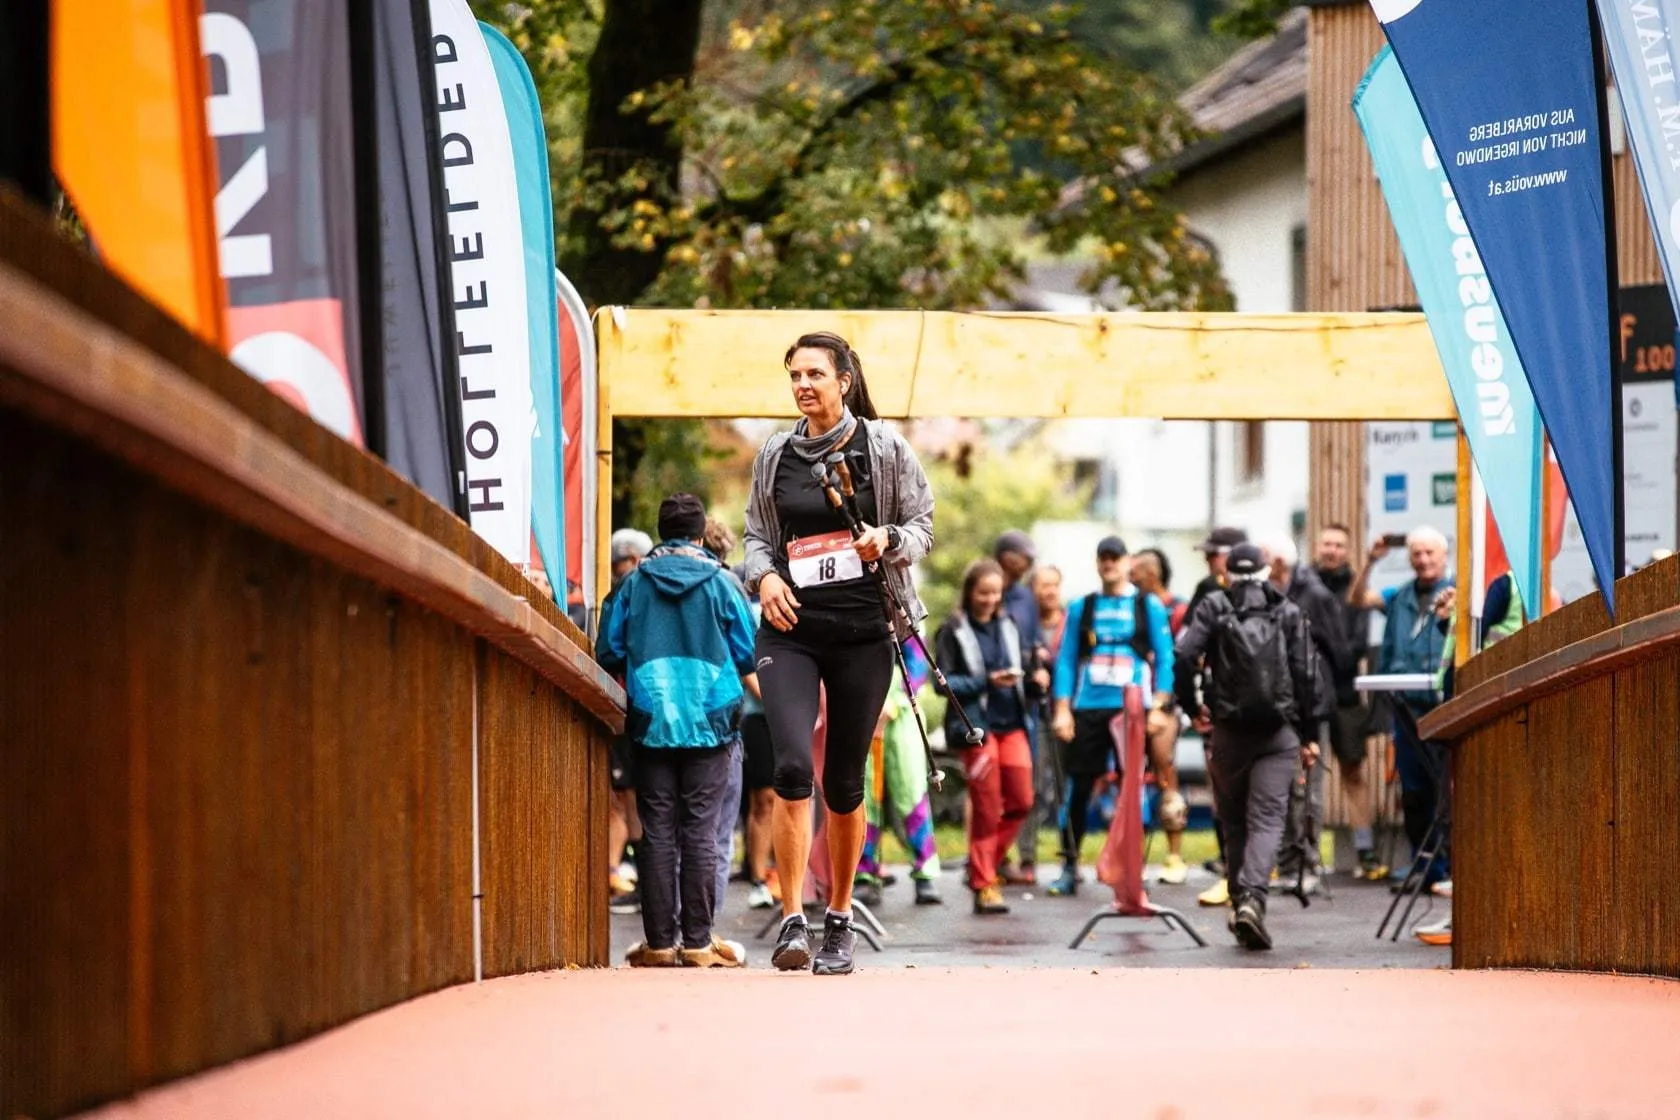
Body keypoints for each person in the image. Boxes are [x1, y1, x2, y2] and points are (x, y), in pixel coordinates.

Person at [742, 331, 935, 976]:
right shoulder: (775, 454)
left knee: (845, 784)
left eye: (815, 374)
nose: (802, 385)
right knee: (793, 768)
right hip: (790, 631)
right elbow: (756, 538)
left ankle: (841, 918)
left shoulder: (883, 448)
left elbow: (923, 526)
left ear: (844, 381)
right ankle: (793, 919)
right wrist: (764, 578)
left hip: (862, 635)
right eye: (794, 374)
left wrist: (888, 539)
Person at [597, 494, 757, 968]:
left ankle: (660, 944)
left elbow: (609, 648)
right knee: (702, 832)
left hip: (650, 719)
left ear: (662, 529)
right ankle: (699, 943)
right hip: (711, 719)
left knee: (658, 833)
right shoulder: (724, 582)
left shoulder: (632, 584)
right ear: (697, 533)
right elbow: (747, 652)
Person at [1173, 543, 1320, 950]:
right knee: (1269, 818)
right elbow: (1307, 674)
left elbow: (1184, 655)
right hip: (1279, 731)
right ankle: (1253, 900)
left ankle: (1240, 899)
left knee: (1234, 820)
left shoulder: (1213, 606)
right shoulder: (1287, 609)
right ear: (1265, 572)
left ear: (1227, 575)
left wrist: (1193, 707)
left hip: (1227, 730)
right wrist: (1309, 735)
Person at [1047, 536, 1175, 897]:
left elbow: (1166, 657)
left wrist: (1160, 706)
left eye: (1115, 557)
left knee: (1131, 786)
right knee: (1079, 787)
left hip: (1133, 708)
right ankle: (1070, 864)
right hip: (1089, 706)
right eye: (1103, 557)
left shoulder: (1146, 605)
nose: (1109, 564)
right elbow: (1067, 660)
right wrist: (1062, 710)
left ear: (1128, 561)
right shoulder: (1082, 606)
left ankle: (1132, 865)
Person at [1348, 526, 1454, 892]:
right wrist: (1370, 561)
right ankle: (1423, 867)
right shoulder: (1400, 596)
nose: (1423, 560)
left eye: (1430, 553)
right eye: (1417, 554)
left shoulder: (1458, 593)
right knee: (1413, 792)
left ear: (1444, 556)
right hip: (1405, 709)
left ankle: (1447, 869)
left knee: (1445, 789)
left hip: (1444, 705)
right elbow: (1358, 598)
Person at [935, 558, 1040, 914]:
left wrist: (1035, 676)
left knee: (1022, 800)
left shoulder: (1008, 624)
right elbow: (943, 684)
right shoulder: (954, 628)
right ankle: (983, 883)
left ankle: (982, 864)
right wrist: (987, 681)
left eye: (996, 593)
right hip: (976, 726)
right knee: (987, 806)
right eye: (983, 592)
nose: (990, 599)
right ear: (969, 592)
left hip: (1012, 721)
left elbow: (1026, 662)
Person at [1262, 536, 1348, 895]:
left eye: (1264, 562)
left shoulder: (1314, 596)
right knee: (1280, 785)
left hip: (1310, 704)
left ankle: (1308, 862)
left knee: (1308, 788)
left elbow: (1338, 651)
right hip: (1279, 704)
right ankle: (1287, 863)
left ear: (1279, 563)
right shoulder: (1267, 597)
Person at [1312, 523, 1385, 881]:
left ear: (1347, 549)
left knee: (1353, 772)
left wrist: (1331, 654)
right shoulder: (1303, 585)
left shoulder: (1358, 588)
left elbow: (1357, 645)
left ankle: (1365, 851)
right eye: (1326, 543)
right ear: (1317, 546)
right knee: (1304, 773)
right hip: (1307, 693)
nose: (1331, 550)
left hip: (1345, 693)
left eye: (1338, 545)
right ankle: (1302, 852)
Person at [1186, 526, 1247, 906]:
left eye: (1214, 555)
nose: (1209, 562)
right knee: (1223, 792)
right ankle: (1233, 872)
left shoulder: (1265, 593)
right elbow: (1186, 644)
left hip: (1257, 710)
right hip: (1222, 706)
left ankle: (1246, 874)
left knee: (1257, 797)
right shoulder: (1206, 591)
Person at [1128, 549, 1192, 885]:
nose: (1129, 575)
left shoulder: (1179, 610)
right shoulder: (1131, 606)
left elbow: (1182, 658)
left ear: (1152, 573)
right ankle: (1132, 857)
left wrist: (1167, 702)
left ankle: (1174, 855)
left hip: (1165, 704)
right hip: (1131, 700)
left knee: (1166, 771)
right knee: (1131, 778)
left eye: (1135, 569)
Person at [604, 527, 655, 914]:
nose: (616, 571)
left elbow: (610, 652)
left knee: (638, 798)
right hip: (646, 708)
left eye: (620, 563)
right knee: (632, 797)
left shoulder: (627, 594)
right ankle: (651, 881)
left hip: (635, 707)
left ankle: (651, 881)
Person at [993, 530, 1047, 885]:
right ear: (1006, 557)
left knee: (1029, 786)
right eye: (1022, 556)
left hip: (1027, 700)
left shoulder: (1025, 597)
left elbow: (1035, 638)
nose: (1028, 562)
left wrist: (1040, 658)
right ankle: (992, 857)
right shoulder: (986, 588)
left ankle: (1023, 855)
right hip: (993, 702)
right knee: (992, 789)